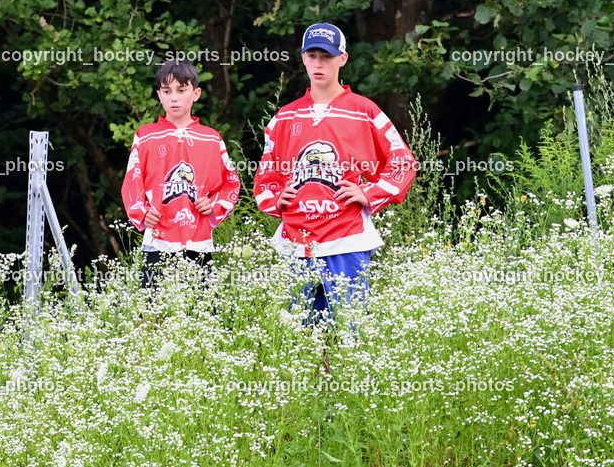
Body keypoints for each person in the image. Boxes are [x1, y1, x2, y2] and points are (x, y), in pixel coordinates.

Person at [254, 22, 417, 323]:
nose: (319, 63)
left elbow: (403, 163)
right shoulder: (284, 117)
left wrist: (368, 193)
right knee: (297, 338)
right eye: (312, 55)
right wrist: (275, 199)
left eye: (326, 56)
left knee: (347, 332)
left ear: (342, 58)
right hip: (296, 243)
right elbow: (266, 176)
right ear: (303, 58)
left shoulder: (363, 110)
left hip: (348, 239)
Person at [122, 59, 241, 289]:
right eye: (167, 91)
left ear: (195, 93)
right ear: (159, 95)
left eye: (181, 90)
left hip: (199, 241)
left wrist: (214, 205)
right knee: (153, 312)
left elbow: (231, 183)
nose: (174, 97)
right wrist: (141, 212)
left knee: (201, 312)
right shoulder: (145, 136)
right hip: (157, 241)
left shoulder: (211, 138)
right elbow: (132, 180)